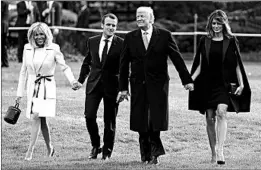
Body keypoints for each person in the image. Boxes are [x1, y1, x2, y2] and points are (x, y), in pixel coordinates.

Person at [117, 7, 194, 165]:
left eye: (142, 16)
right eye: (137, 16)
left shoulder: (164, 36)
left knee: (154, 119)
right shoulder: (130, 37)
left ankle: (154, 153)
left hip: (158, 85)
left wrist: (187, 80)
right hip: (138, 85)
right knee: (140, 120)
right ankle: (145, 153)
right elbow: (123, 65)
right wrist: (123, 88)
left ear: (151, 19)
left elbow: (177, 58)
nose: (139, 18)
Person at [188, 10, 251, 165]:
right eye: (213, 23)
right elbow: (200, 65)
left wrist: (242, 83)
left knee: (221, 112)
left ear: (224, 24)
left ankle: (221, 150)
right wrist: (190, 80)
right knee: (209, 118)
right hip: (206, 84)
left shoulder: (231, 40)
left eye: (219, 23)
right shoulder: (205, 40)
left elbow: (237, 65)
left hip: (224, 84)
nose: (216, 26)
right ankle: (213, 152)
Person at [16, 22, 78, 161]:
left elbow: (64, 67)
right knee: (41, 119)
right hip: (32, 87)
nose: (39, 37)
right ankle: (50, 147)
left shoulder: (54, 48)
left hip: (46, 88)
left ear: (47, 35)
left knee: (36, 117)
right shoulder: (27, 48)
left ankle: (29, 151)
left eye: (42, 34)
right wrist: (19, 94)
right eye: (36, 34)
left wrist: (72, 81)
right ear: (32, 36)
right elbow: (23, 73)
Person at [73, 13, 124, 160]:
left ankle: (107, 151)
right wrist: (80, 80)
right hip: (93, 85)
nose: (111, 28)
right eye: (108, 24)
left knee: (110, 121)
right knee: (89, 116)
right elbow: (87, 62)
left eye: (113, 25)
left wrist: (123, 89)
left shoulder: (121, 43)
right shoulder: (92, 41)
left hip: (112, 87)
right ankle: (96, 146)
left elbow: (124, 68)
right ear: (102, 25)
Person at [1, 1, 9, 67]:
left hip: (2, 26)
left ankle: (5, 62)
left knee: (3, 46)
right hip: (4, 26)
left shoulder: (3, 3)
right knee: (3, 46)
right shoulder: (5, 3)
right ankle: (5, 62)